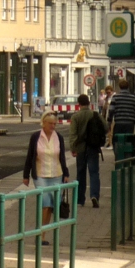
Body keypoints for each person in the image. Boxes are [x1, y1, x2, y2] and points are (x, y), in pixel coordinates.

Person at [22, 111, 70, 243]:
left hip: (56, 175)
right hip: (41, 175)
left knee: (51, 206)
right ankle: (41, 235)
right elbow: (30, 156)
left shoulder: (58, 137)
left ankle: (43, 233)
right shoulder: (36, 137)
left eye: (55, 124)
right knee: (44, 204)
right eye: (50, 123)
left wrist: (66, 173)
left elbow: (62, 157)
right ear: (43, 123)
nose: (53, 126)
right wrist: (26, 175)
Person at [69, 95, 101, 208]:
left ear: (79, 104)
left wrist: (73, 148)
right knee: (94, 172)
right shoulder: (95, 115)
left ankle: (80, 199)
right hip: (93, 148)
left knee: (80, 173)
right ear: (88, 103)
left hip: (81, 148)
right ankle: (94, 196)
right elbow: (105, 128)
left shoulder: (76, 117)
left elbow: (73, 134)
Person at [107, 79, 135, 151]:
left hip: (119, 123)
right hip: (130, 123)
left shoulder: (115, 97)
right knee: (128, 140)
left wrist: (109, 122)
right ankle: (127, 155)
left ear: (120, 87)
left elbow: (111, 110)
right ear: (128, 87)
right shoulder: (133, 98)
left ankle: (118, 156)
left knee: (116, 140)